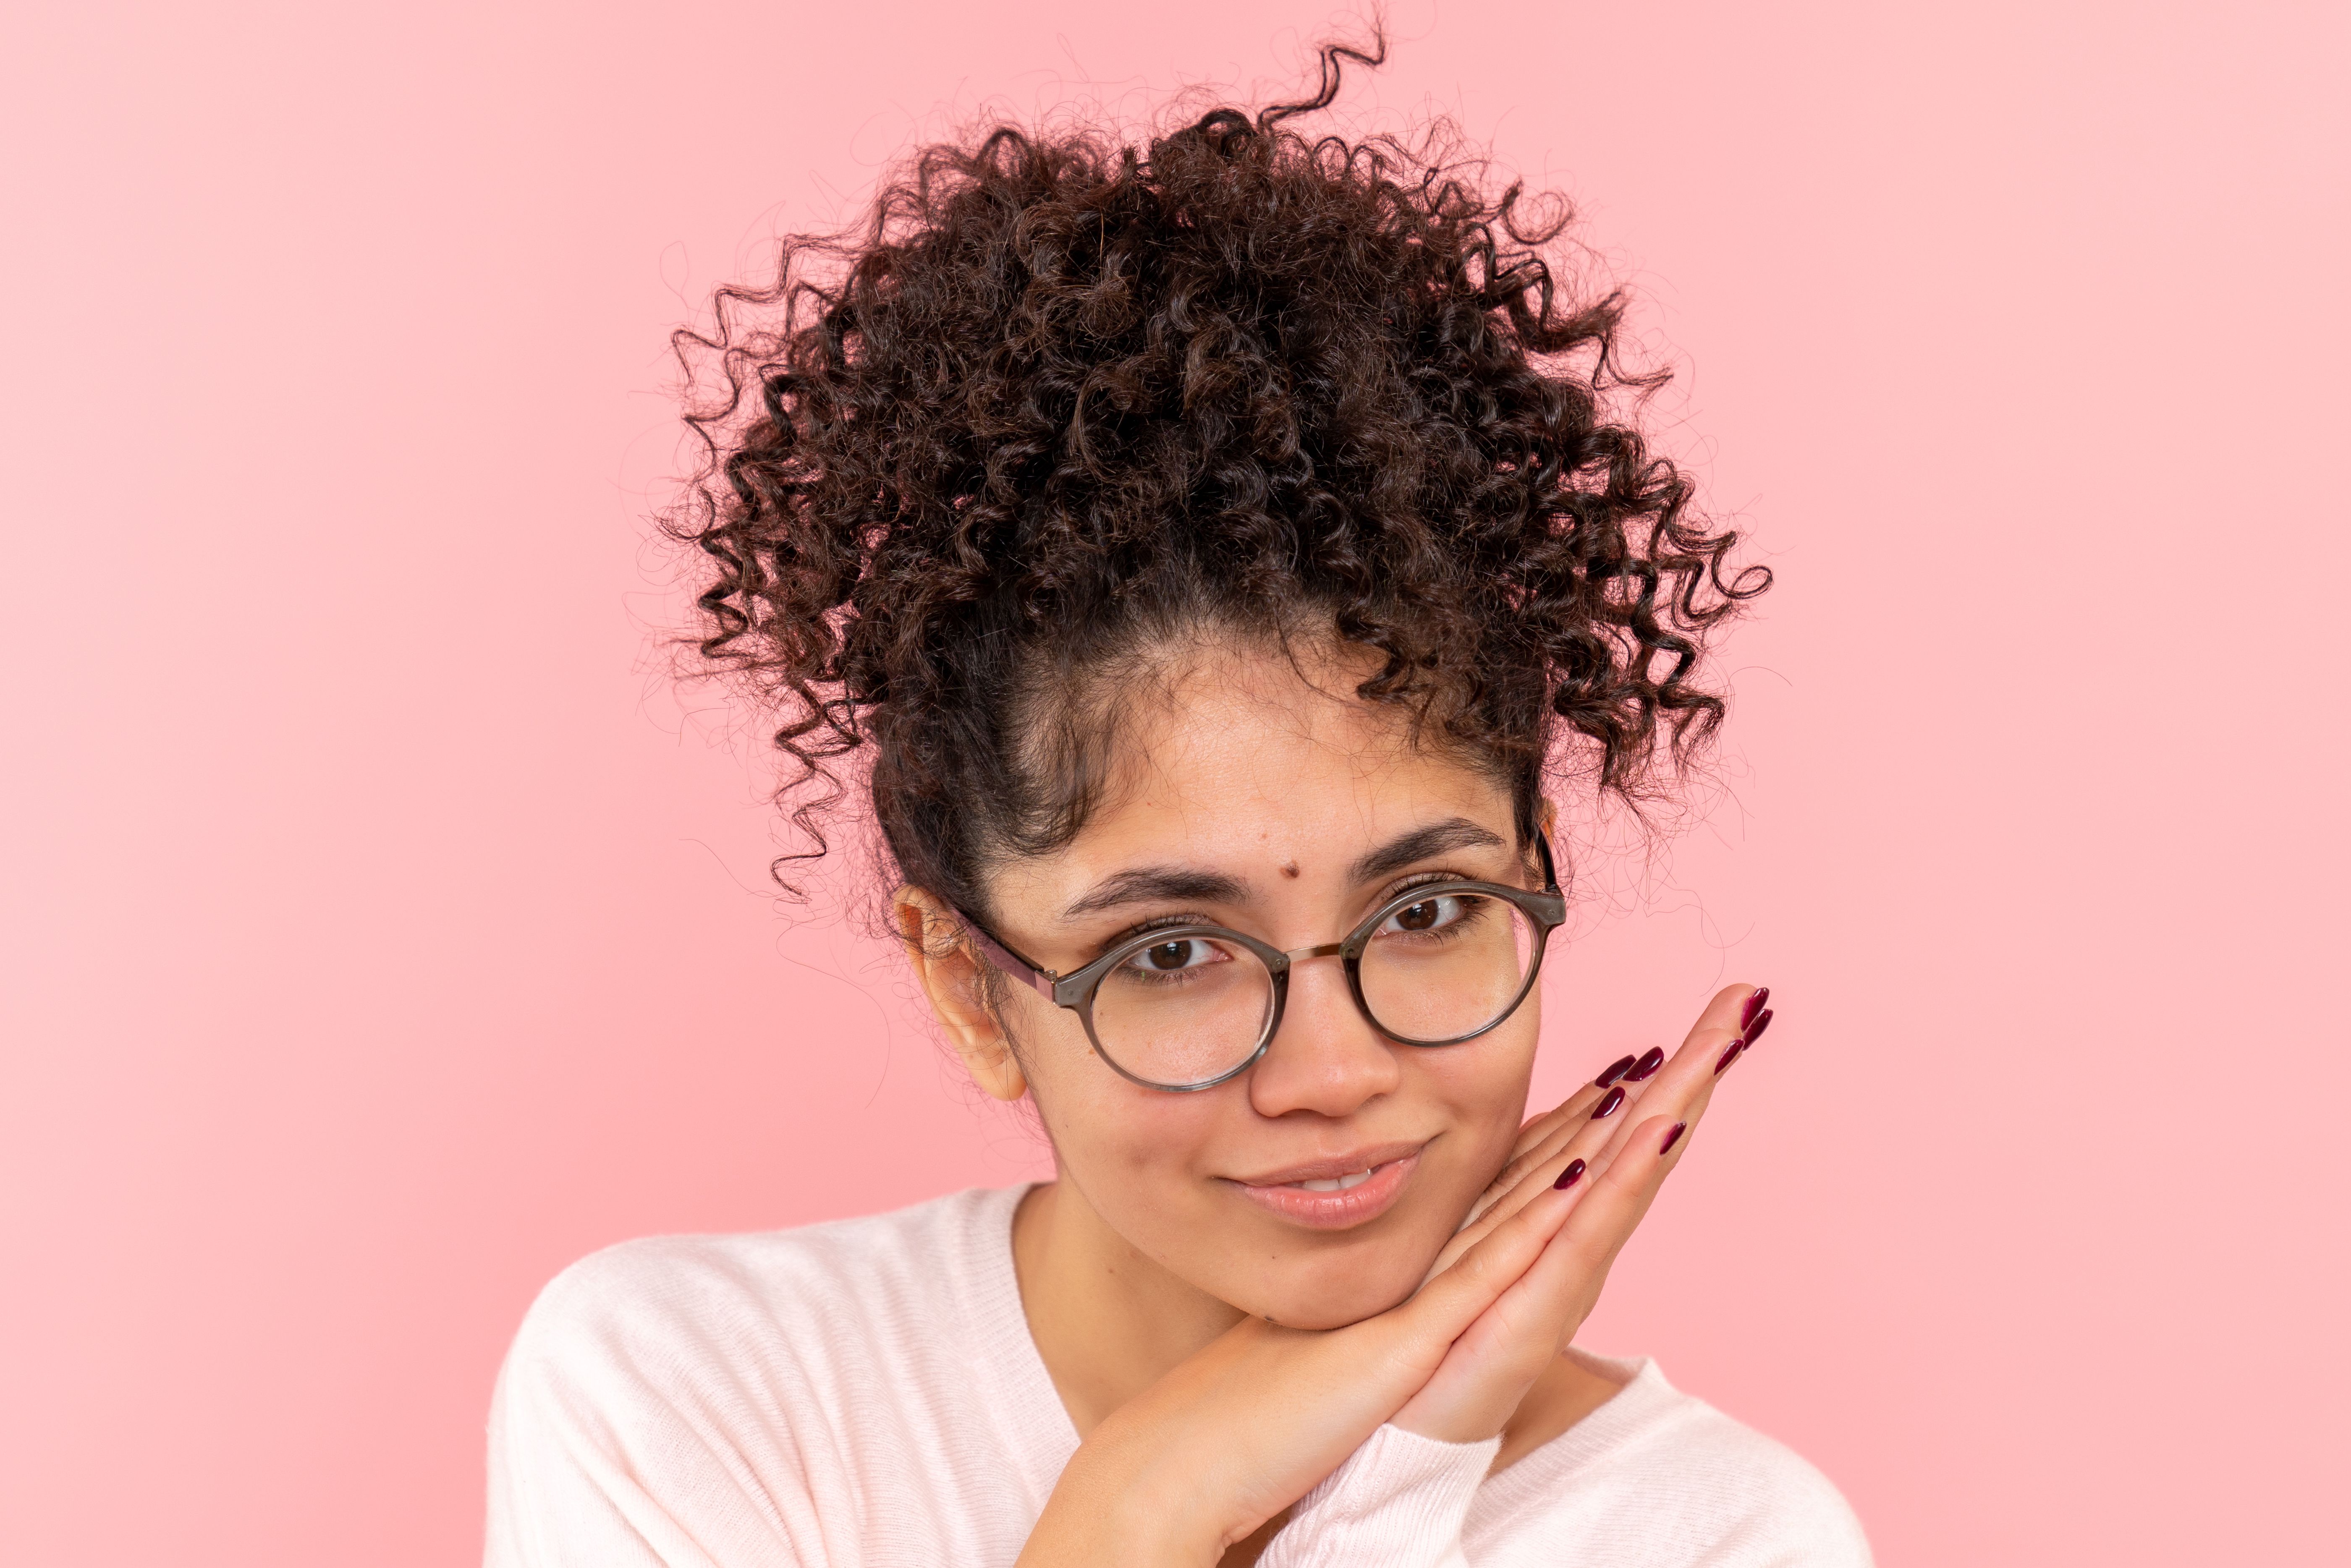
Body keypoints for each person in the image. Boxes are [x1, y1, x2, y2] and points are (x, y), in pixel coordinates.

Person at [485, 43, 1872, 1568]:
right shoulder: (695, 1397)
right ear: (969, 985)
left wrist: (1398, 1455)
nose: (1334, 1075)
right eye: (1171, 951)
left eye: (1427, 910)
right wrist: (1142, 1508)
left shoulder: (1718, 1535)